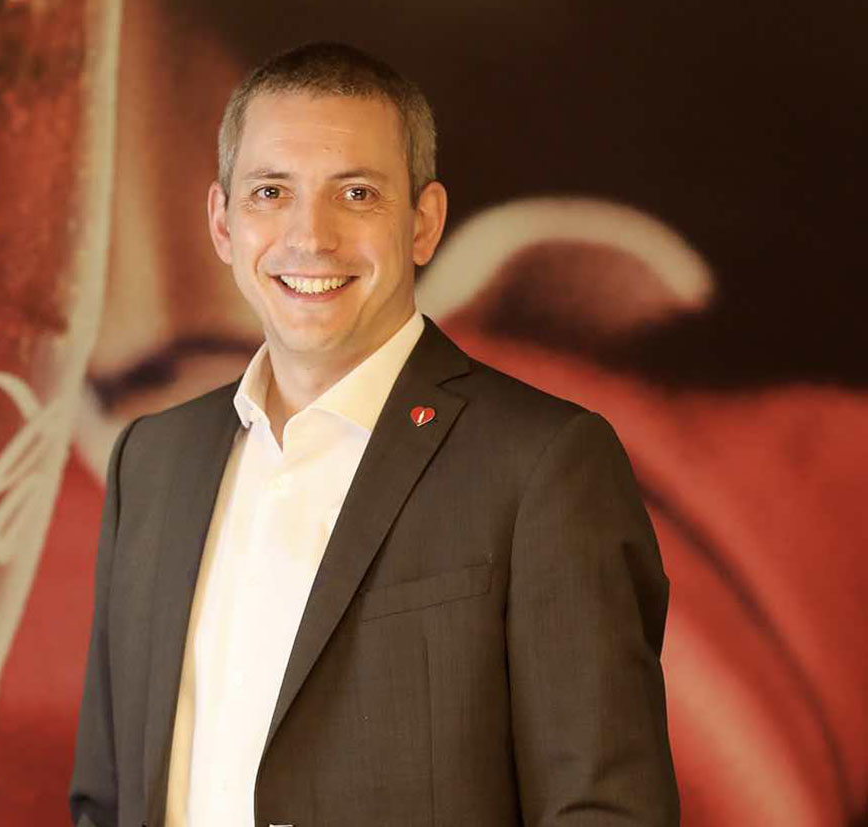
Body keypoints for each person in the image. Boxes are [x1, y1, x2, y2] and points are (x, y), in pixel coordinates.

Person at [69, 41, 679, 827]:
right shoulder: (150, 460)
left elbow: (607, 809)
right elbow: (105, 798)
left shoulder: (545, 463)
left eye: (355, 193)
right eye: (269, 192)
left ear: (423, 223)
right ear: (223, 223)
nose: (309, 236)